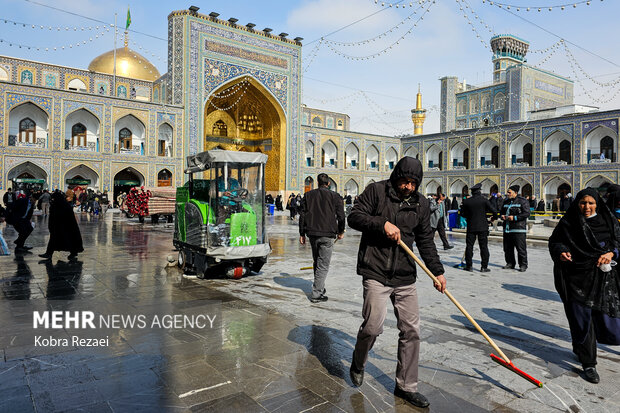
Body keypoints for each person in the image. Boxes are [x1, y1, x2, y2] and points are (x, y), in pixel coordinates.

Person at [347, 156, 446, 409]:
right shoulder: (377, 191)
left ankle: (406, 386)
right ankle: (359, 362)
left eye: (414, 183)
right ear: (396, 176)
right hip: (376, 270)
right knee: (372, 327)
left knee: (411, 331)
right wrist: (382, 224)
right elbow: (354, 217)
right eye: (404, 181)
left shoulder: (422, 205)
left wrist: (437, 271)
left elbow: (425, 241)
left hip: (404, 275)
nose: (408, 187)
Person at [549, 188, 620, 384]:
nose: (587, 207)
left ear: (597, 203)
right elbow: (555, 242)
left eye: (591, 203)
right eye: (583, 203)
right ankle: (589, 363)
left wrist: (611, 253)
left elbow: (618, 243)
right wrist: (562, 250)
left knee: (604, 318)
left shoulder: (608, 221)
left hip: (602, 279)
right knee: (582, 320)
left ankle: (581, 348)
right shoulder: (569, 222)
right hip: (576, 278)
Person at [299, 173, 345, 303]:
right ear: (329, 183)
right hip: (327, 234)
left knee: (317, 261)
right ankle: (316, 294)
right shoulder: (335, 196)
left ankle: (319, 287)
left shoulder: (308, 195)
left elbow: (302, 215)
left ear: (317, 183)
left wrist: (301, 233)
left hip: (313, 234)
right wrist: (341, 231)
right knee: (323, 265)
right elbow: (341, 216)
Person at [460, 183, 496, 272]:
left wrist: (470, 216)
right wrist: (492, 219)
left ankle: (469, 266)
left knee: (469, 246)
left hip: (471, 226)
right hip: (483, 227)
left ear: (472, 192)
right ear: (479, 191)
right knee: (483, 247)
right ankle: (484, 267)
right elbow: (494, 211)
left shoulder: (467, 201)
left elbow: (462, 213)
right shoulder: (484, 200)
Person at [39, 191, 84, 261]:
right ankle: (72, 252)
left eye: (53, 198)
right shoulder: (63, 205)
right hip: (65, 227)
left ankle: (49, 254)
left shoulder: (60, 206)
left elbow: (57, 217)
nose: (52, 200)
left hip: (62, 227)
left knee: (59, 239)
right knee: (66, 239)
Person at [500, 185, 530, 272]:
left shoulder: (522, 201)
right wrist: (502, 216)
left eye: (509, 192)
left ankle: (523, 265)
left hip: (518, 228)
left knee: (520, 248)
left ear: (515, 193)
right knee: (507, 248)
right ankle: (510, 263)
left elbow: (526, 213)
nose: (507, 194)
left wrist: (515, 218)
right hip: (507, 229)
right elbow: (501, 211)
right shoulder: (506, 202)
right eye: (507, 192)